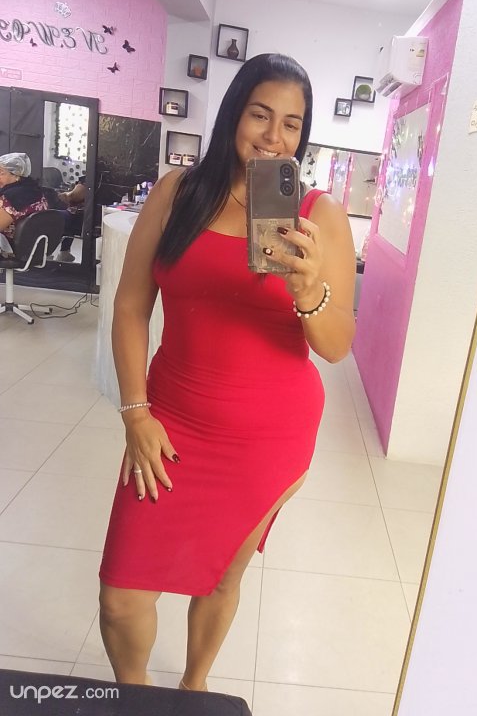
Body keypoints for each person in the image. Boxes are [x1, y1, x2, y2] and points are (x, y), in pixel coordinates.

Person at [98, 53, 356, 691]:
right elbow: (130, 307)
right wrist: (135, 412)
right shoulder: (178, 193)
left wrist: (308, 291)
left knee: (220, 575)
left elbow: (336, 345)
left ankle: (195, 688)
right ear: (233, 113)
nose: (274, 137)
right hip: (169, 423)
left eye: (292, 124)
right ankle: (135, 696)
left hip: (268, 435)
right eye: (260, 115)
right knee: (122, 597)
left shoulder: (319, 215)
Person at [0, 153, 48, 257]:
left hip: (11, 250)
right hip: (34, 248)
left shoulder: (12, 198)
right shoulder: (36, 192)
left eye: (1, 173)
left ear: (17, 175)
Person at [56, 175, 87, 262]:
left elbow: (72, 196)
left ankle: (47, 253)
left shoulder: (86, 184)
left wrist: (61, 194)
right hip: (80, 216)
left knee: (55, 217)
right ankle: (64, 252)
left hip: (81, 219)